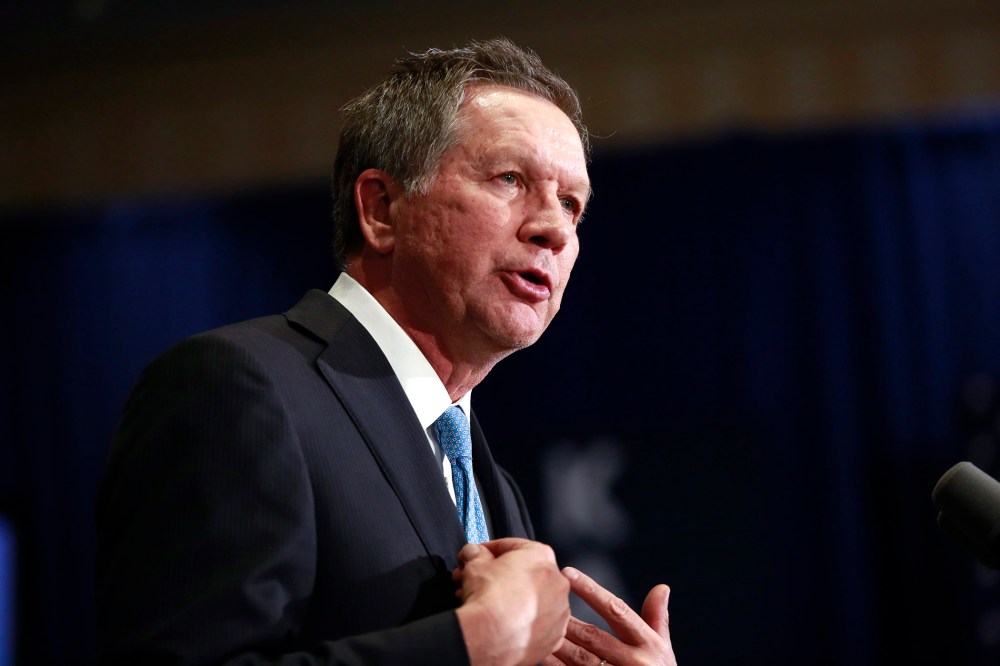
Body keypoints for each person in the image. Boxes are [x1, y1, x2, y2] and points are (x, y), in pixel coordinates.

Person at [95, 37, 677, 666]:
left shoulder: (490, 486)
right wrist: (476, 642)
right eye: (510, 179)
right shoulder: (236, 388)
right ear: (382, 210)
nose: (555, 229)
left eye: (571, 204)